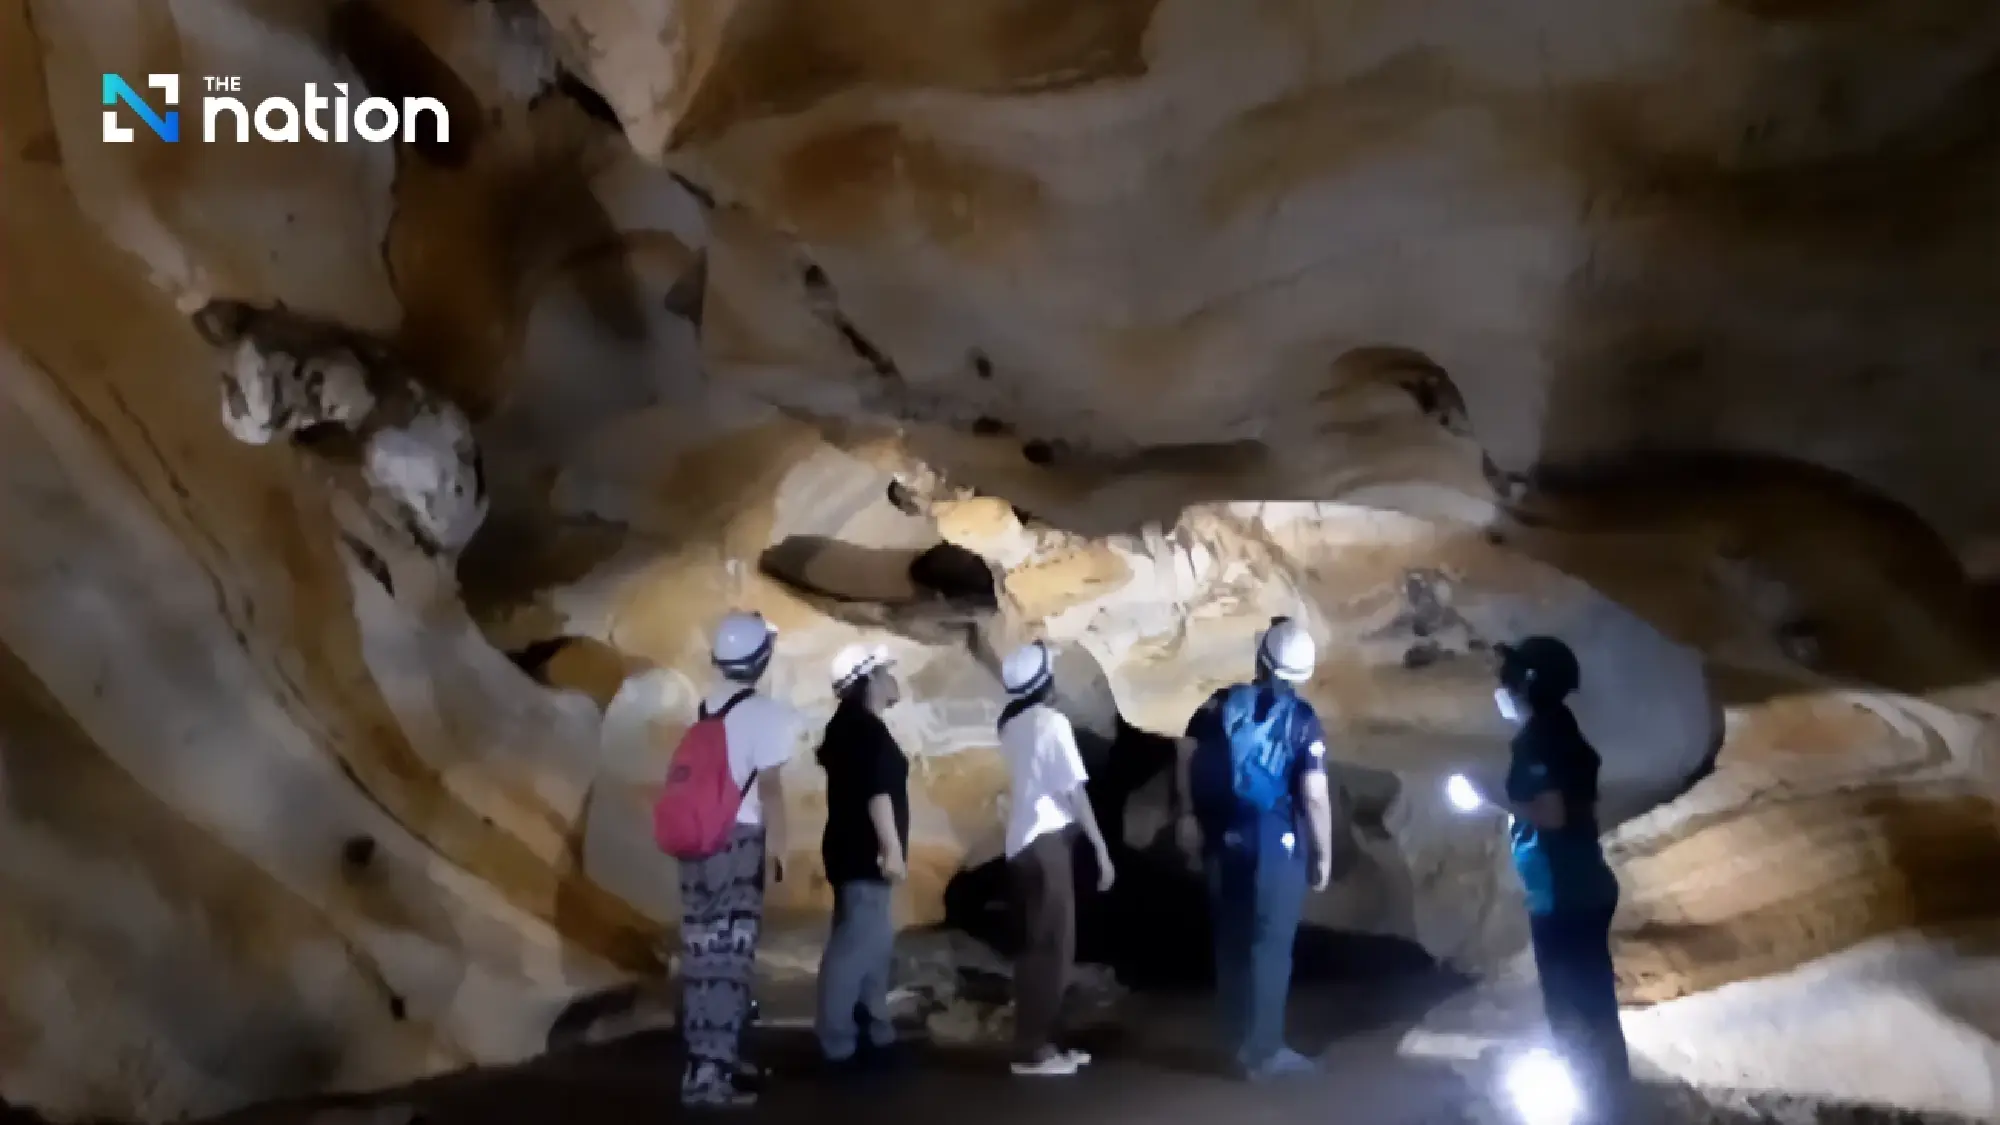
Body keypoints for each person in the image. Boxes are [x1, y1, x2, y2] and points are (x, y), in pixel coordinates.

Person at [1174, 616, 1337, 1081]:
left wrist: (1187, 814)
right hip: (1275, 843)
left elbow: (1185, 753)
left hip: (1222, 836)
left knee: (1231, 941)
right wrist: (1322, 855)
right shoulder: (1302, 719)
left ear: (1261, 659)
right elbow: (1314, 794)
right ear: (1302, 671)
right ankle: (1266, 1051)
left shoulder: (1216, 704)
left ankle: (1235, 1044)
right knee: (1270, 946)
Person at [1476, 636, 1631, 1122]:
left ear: (1526, 685)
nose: (1499, 686)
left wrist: (1489, 798)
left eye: (1508, 677)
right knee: (1593, 1008)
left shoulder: (1540, 738)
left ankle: (1594, 1111)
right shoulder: (1562, 728)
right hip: (1579, 882)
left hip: (1564, 890)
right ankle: (1610, 1105)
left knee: (1573, 1014)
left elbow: (1553, 812)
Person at [677, 610, 808, 1109]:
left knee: (701, 954)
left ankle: (707, 1061)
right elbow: (769, 790)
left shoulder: (708, 706)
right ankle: (710, 1080)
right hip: (738, 842)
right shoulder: (765, 714)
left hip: (698, 842)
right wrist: (781, 849)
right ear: (762, 658)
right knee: (730, 959)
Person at [997, 640, 1116, 1077]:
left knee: (1034, 945)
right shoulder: (1050, 723)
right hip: (1048, 845)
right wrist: (1102, 849)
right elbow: (1074, 791)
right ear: (1044, 682)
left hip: (1020, 843)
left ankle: (1040, 1042)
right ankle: (1034, 1052)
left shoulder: (1010, 726)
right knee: (1054, 946)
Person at [814, 643, 910, 1073]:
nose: (893, 677)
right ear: (868, 680)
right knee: (856, 946)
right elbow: (878, 792)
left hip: (850, 849)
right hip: (864, 852)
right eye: (886, 671)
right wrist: (891, 849)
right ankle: (838, 1040)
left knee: (872, 941)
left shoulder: (849, 727)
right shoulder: (865, 731)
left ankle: (872, 1026)